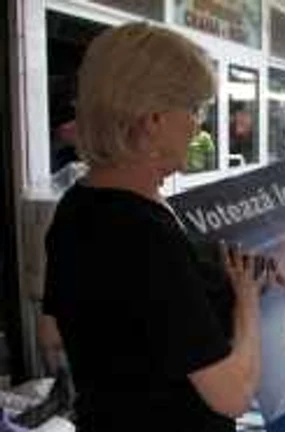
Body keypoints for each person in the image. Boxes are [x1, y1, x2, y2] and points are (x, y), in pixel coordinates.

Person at [41, 23, 267, 431]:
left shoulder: (75, 205)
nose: (199, 126)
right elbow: (233, 396)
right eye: (195, 109)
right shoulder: (146, 236)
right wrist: (247, 304)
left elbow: (52, 332)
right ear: (154, 120)